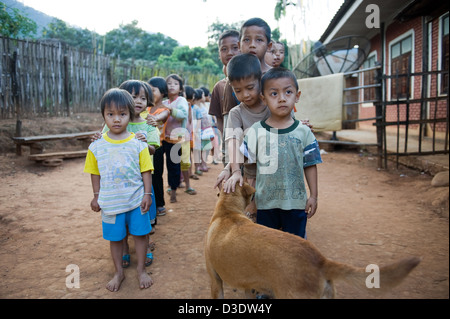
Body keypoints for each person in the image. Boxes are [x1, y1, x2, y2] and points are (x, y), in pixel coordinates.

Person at [84, 88, 154, 292]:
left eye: (122, 114)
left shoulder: (138, 144)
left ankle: (141, 270)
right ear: (103, 115)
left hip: (136, 201)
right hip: (110, 203)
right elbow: (94, 172)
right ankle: (119, 273)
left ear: (130, 115)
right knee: (115, 239)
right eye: (110, 114)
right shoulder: (96, 146)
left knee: (140, 236)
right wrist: (96, 196)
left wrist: (147, 194)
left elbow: (146, 171)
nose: (116, 120)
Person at [241, 67, 322, 238]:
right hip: (265, 204)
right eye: (274, 94)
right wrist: (251, 200)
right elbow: (248, 167)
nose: (282, 98)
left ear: (297, 96)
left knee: (295, 249)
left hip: (296, 204)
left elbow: (310, 165)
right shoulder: (256, 131)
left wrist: (313, 196)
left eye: (288, 92)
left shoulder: (304, 132)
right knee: (268, 249)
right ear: (263, 99)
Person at [101, 80, 160, 269]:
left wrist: (145, 143)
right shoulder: (112, 124)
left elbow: (153, 150)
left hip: (142, 181)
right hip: (119, 181)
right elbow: (104, 141)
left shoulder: (149, 125)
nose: (138, 101)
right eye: (133, 97)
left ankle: (146, 245)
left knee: (143, 215)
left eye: (143, 98)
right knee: (121, 216)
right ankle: (124, 248)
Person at [163, 74, 195, 202]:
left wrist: (170, 109)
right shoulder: (164, 102)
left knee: (184, 163)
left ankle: (186, 185)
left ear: (180, 88)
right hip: (167, 138)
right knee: (172, 165)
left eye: (175, 84)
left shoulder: (181, 100)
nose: (172, 86)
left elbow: (182, 115)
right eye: (169, 83)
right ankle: (173, 186)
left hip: (180, 138)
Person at [208, 30, 241, 134]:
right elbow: (219, 120)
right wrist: (225, 145)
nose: (229, 52)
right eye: (224, 49)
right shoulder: (219, 87)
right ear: (219, 54)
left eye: (235, 48)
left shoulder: (256, 81)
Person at [147, 77, 170, 216]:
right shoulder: (146, 108)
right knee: (146, 176)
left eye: (153, 90)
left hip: (157, 147)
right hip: (144, 146)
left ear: (162, 92)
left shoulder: (164, 109)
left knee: (156, 177)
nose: (150, 92)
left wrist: (154, 119)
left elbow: (163, 115)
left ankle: (160, 204)